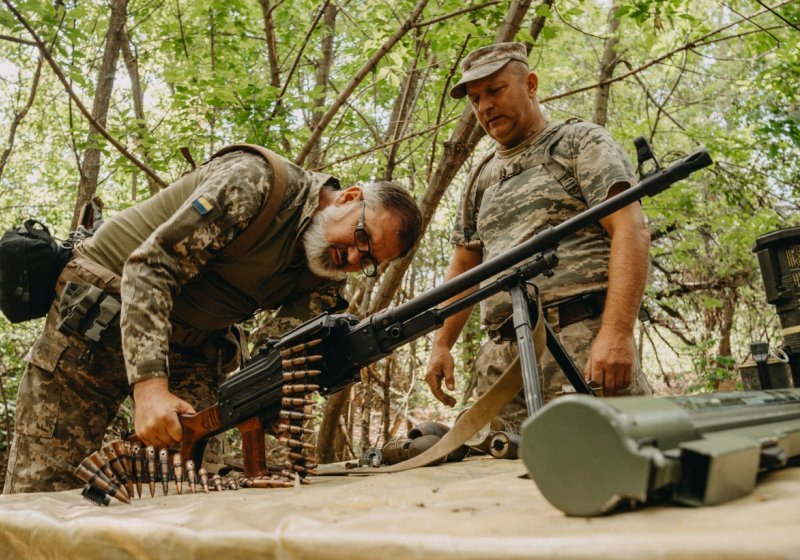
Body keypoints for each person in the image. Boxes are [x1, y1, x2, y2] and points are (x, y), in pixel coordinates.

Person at [4, 145, 422, 493]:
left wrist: (283, 401)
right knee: (44, 486)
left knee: (191, 488)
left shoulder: (326, 279)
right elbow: (150, 267)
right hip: (99, 315)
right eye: (361, 237)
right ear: (349, 198)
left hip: (192, 346)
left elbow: (278, 356)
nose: (351, 257)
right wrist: (150, 388)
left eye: (367, 261)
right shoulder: (256, 183)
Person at [425, 42, 652, 425]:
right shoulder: (480, 178)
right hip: (503, 364)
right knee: (502, 480)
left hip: (582, 345)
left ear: (530, 85)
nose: (485, 107)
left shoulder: (579, 142)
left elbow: (630, 229)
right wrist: (441, 343)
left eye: (495, 91)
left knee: (618, 470)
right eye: (476, 99)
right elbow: (465, 267)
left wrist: (616, 333)